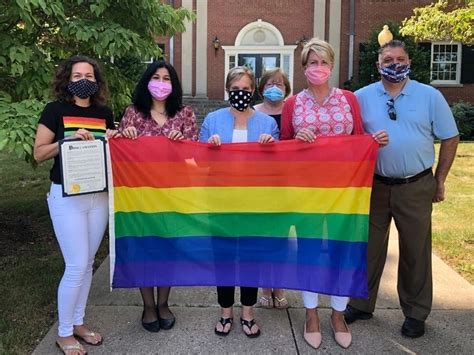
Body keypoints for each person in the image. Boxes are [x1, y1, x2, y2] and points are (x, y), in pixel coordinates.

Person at [344, 40, 459, 339]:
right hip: (375, 186)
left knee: (415, 251)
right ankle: (361, 304)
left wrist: (440, 179)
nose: (395, 64)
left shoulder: (429, 96)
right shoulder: (360, 98)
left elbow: (450, 137)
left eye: (401, 58)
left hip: (415, 184)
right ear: (377, 64)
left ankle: (416, 312)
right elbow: (348, 139)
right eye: (388, 59)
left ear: (409, 61)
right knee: (367, 247)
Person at [280, 38, 388, 349]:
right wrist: (296, 140)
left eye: (324, 62)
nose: (319, 68)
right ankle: (312, 314)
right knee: (310, 252)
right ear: (303, 67)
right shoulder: (292, 105)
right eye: (312, 62)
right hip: (307, 192)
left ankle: (338, 314)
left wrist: (372, 141)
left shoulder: (349, 100)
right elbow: (284, 146)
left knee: (344, 251)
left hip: (345, 191)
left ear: (332, 65)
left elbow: (357, 139)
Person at [33, 55, 117, 355]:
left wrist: (114, 139)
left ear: (96, 82)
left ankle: (78, 323)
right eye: (78, 74)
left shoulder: (104, 112)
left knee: (87, 265)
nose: (84, 79)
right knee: (77, 264)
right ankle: (64, 332)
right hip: (66, 196)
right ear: (67, 79)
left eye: (90, 76)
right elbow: (39, 153)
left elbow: (110, 151)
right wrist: (66, 141)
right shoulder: (54, 110)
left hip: (98, 195)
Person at [199, 66, 278, 338]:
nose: (240, 94)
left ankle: (247, 312)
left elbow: (278, 165)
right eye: (235, 90)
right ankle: (225, 311)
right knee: (223, 257)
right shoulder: (212, 119)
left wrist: (271, 149)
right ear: (227, 91)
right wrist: (208, 147)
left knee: (250, 258)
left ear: (253, 90)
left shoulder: (268, 123)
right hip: (220, 201)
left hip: (255, 203)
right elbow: (199, 160)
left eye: (245, 90)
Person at [118, 60, 198, 332]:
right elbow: (122, 156)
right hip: (141, 196)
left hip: (174, 195)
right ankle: (148, 306)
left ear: (173, 85)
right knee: (144, 249)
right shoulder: (133, 113)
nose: (161, 83)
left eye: (167, 78)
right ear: (147, 81)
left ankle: (164, 303)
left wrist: (182, 145)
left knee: (168, 250)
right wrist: (125, 137)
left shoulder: (185, 114)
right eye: (156, 77)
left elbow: (194, 158)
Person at [253, 67, 291, 309]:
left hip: (286, 184)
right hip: (258, 185)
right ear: (261, 88)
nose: (274, 87)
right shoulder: (252, 113)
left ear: (286, 89)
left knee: (282, 237)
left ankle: (280, 286)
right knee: (262, 237)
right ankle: (265, 286)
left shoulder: (293, 111)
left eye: (279, 83)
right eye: (269, 83)